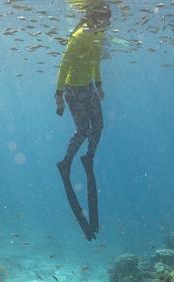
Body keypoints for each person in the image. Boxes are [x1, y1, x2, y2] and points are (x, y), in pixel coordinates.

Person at [55, 2, 111, 241]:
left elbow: (96, 62)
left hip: (87, 88)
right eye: (103, 18)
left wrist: (98, 86)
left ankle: (88, 157)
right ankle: (66, 162)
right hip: (72, 90)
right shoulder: (78, 37)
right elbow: (64, 64)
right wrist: (58, 95)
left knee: (99, 126)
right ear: (93, 17)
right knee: (84, 129)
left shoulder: (99, 35)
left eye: (108, 19)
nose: (106, 22)